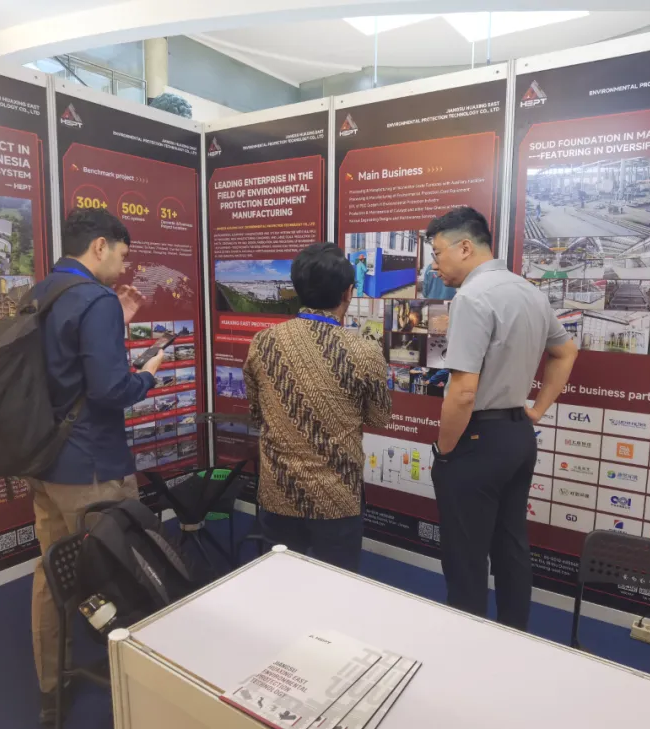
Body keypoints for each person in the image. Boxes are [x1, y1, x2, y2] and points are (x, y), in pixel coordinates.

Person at [26, 208, 165, 725]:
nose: (123, 268)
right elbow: (110, 390)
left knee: (50, 572)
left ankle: (50, 684)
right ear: (100, 246)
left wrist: (114, 327)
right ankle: (138, 681)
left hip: (45, 462)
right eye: (122, 256)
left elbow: (62, 369)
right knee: (121, 570)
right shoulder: (96, 299)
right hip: (92, 467)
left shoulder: (41, 294)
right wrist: (148, 375)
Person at [427, 206, 578, 630]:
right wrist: (537, 410)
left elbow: (463, 391)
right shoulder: (529, 291)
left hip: (477, 441)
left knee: (465, 556)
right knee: (511, 545)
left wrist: (446, 451)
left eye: (438, 253)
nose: (435, 265)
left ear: (465, 247)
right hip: (517, 437)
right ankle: (515, 636)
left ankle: (468, 644)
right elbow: (566, 352)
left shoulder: (472, 297)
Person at [243, 242, 391, 571]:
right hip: (337, 496)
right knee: (336, 589)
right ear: (348, 292)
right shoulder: (364, 350)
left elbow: (257, 411)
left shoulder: (263, 342)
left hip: (279, 490)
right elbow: (379, 417)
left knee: (280, 585)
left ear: (298, 289)